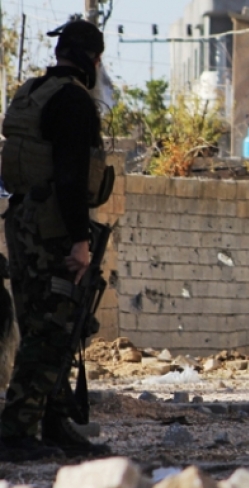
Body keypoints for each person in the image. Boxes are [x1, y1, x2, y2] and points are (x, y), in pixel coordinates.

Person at [0, 19, 112, 461]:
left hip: (22, 221)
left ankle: (53, 422)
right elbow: (70, 177)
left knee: (41, 324)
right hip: (52, 228)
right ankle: (16, 431)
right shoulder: (73, 102)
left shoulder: (31, 93)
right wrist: (79, 240)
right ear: (92, 58)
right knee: (52, 329)